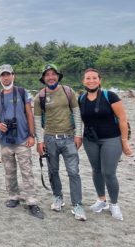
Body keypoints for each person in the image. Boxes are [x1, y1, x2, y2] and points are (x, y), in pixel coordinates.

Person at [78, 68, 133, 221]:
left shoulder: (110, 96)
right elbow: (81, 120)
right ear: (83, 81)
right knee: (96, 170)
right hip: (91, 140)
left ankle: (114, 204)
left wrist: (124, 142)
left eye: (94, 78)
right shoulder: (81, 98)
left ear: (100, 80)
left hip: (111, 139)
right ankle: (101, 200)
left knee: (109, 173)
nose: (91, 80)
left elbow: (122, 119)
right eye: (88, 78)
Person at [33, 64, 86, 221]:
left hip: (69, 138)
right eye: (47, 75)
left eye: (53, 74)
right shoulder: (39, 97)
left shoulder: (68, 92)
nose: (50, 77)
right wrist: (39, 141)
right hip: (49, 139)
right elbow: (37, 121)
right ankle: (57, 197)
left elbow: (77, 113)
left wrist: (78, 135)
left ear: (58, 76)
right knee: (53, 171)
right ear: (43, 78)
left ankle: (77, 204)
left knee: (73, 172)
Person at [0, 64, 44, 219]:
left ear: (13, 75)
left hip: (22, 139)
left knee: (27, 171)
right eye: (3, 75)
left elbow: (29, 114)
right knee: (9, 171)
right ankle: (13, 196)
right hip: (5, 140)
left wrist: (32, 135)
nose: (6, 77)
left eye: (8, 74)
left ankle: (32, 201)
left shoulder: (22, 92)